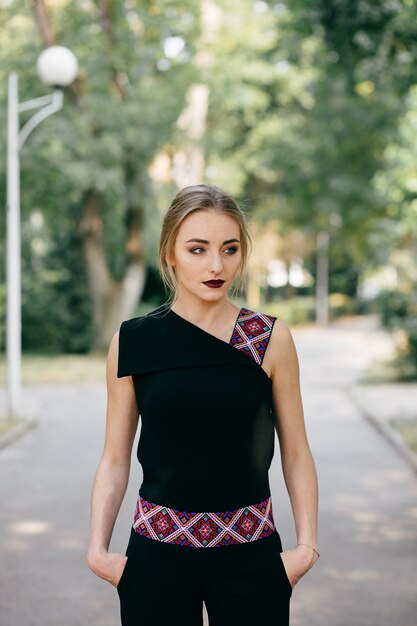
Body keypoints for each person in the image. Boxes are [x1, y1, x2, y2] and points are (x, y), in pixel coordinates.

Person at [87, 184, 319, 626]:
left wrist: (305, 548)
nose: (216, 265)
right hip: (156, 557)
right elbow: (115, 457)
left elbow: (296, 450)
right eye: (198, 249)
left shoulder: (267, 339)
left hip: (252, 557)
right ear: (170, 253)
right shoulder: (134, 341)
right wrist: (99, 551)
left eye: (229, 250)